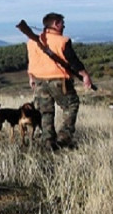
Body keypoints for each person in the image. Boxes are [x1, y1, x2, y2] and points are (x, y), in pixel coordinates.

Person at [26, 12, 92, 150]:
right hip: (59, 81)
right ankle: (64, 138)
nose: (64, 26)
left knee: (45, 112)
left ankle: (48, 141)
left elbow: (32, 61)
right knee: (71, 105)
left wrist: (31, 77)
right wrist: (85, 75)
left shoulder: (31, 42)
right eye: (62, 23)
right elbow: (73, 62)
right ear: (55, 24)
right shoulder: (62, 41)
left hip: (39, 81)